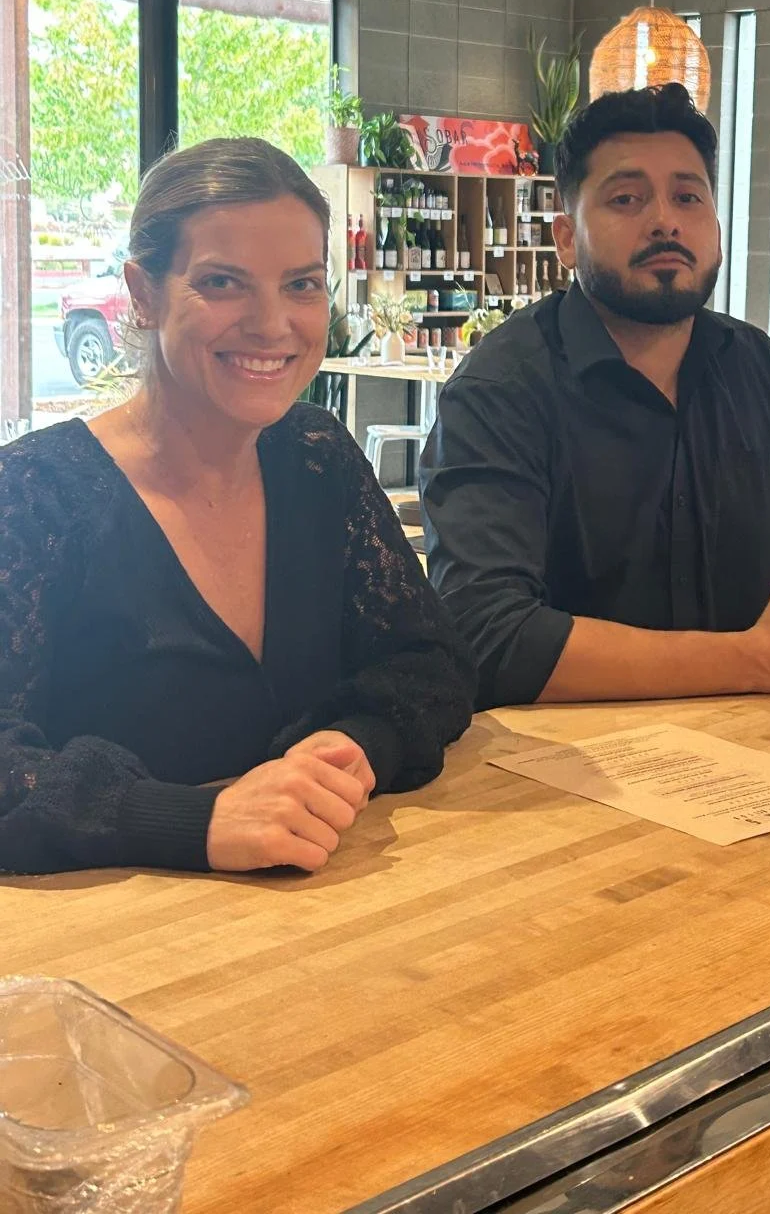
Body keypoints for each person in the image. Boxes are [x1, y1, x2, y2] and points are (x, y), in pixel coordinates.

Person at [0, 138, 475, 876]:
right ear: (143, 293)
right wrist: (194, 821)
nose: (271, 323)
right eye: (223, 283)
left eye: (302, 284)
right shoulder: (36, 494)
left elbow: (428, 663)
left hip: (326, 911)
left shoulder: (318, 455)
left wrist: (358, 743)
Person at [420, 83, 770, 710]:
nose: (665, 219)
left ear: (716, 225)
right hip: (557, 773)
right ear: (564, 238)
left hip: (768, 742)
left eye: (688, 197)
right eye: (626, 198)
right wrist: (756, 658)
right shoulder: (501, 390)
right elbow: (489, 633)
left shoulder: (755, 368)